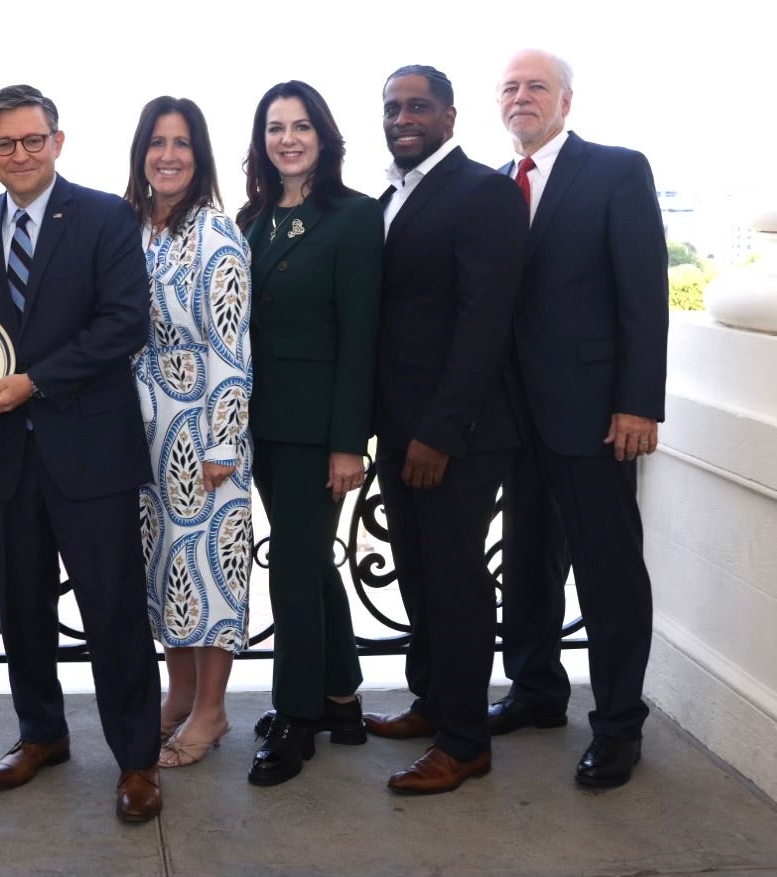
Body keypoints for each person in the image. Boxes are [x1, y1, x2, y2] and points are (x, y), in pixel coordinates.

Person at [0, 84, 163, 823]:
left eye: (34, 140)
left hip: (92, 451)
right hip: (6, 455)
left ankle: (136, 759)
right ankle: (41, 735)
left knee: (114, 611)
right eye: (5, 143)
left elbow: (124, 323)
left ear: (58, 142)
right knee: (22, 605)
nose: (21, 154)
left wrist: (33, 382)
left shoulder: (105, 216)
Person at [490, 49, 668, 788]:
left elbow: (643, 290)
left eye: (536, 86)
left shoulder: (616, 170)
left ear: (567, 100)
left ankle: (619, 724)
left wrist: (638, 401)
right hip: (513, 416)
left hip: (595, 414)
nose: (521, 97)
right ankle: (535, 691)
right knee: (527, 561)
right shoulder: (498, 185)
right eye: (510, 87)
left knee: (608, 571)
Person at [361, 65, 529, 794]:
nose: (404, 117)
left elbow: (482, 320)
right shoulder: (390, 196)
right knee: (422, 575)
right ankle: (433, 702)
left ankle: (465, 742)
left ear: (451, 117)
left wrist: (440, 430)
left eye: (419, 106)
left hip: (455, 433)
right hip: (400, 430)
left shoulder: (483, 192)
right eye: (394, 107)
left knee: (457, 582)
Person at [236, 81, 381, 787]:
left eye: (300, 126)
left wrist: (347, 442)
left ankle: (297, 716)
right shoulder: (254, 217)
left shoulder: (355, 218)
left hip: (319, 427)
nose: (287, 138)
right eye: (274, 128)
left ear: (323, 136)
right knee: (310, 560)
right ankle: (342, 698)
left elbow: (361, 338)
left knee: (293, 566)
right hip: (264, 422)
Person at [122, 97, 253, 768]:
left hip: (202, 426)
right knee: (165, 568)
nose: (167, 154)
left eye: (181, 143)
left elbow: (232, 347)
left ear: (198, 155)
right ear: (141, 151)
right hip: (144, 425)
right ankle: (176, 695)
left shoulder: (217, 232)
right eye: (156, 142)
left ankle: (212, 710)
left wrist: (222, 443)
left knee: (209, 567)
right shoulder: (136, 226)